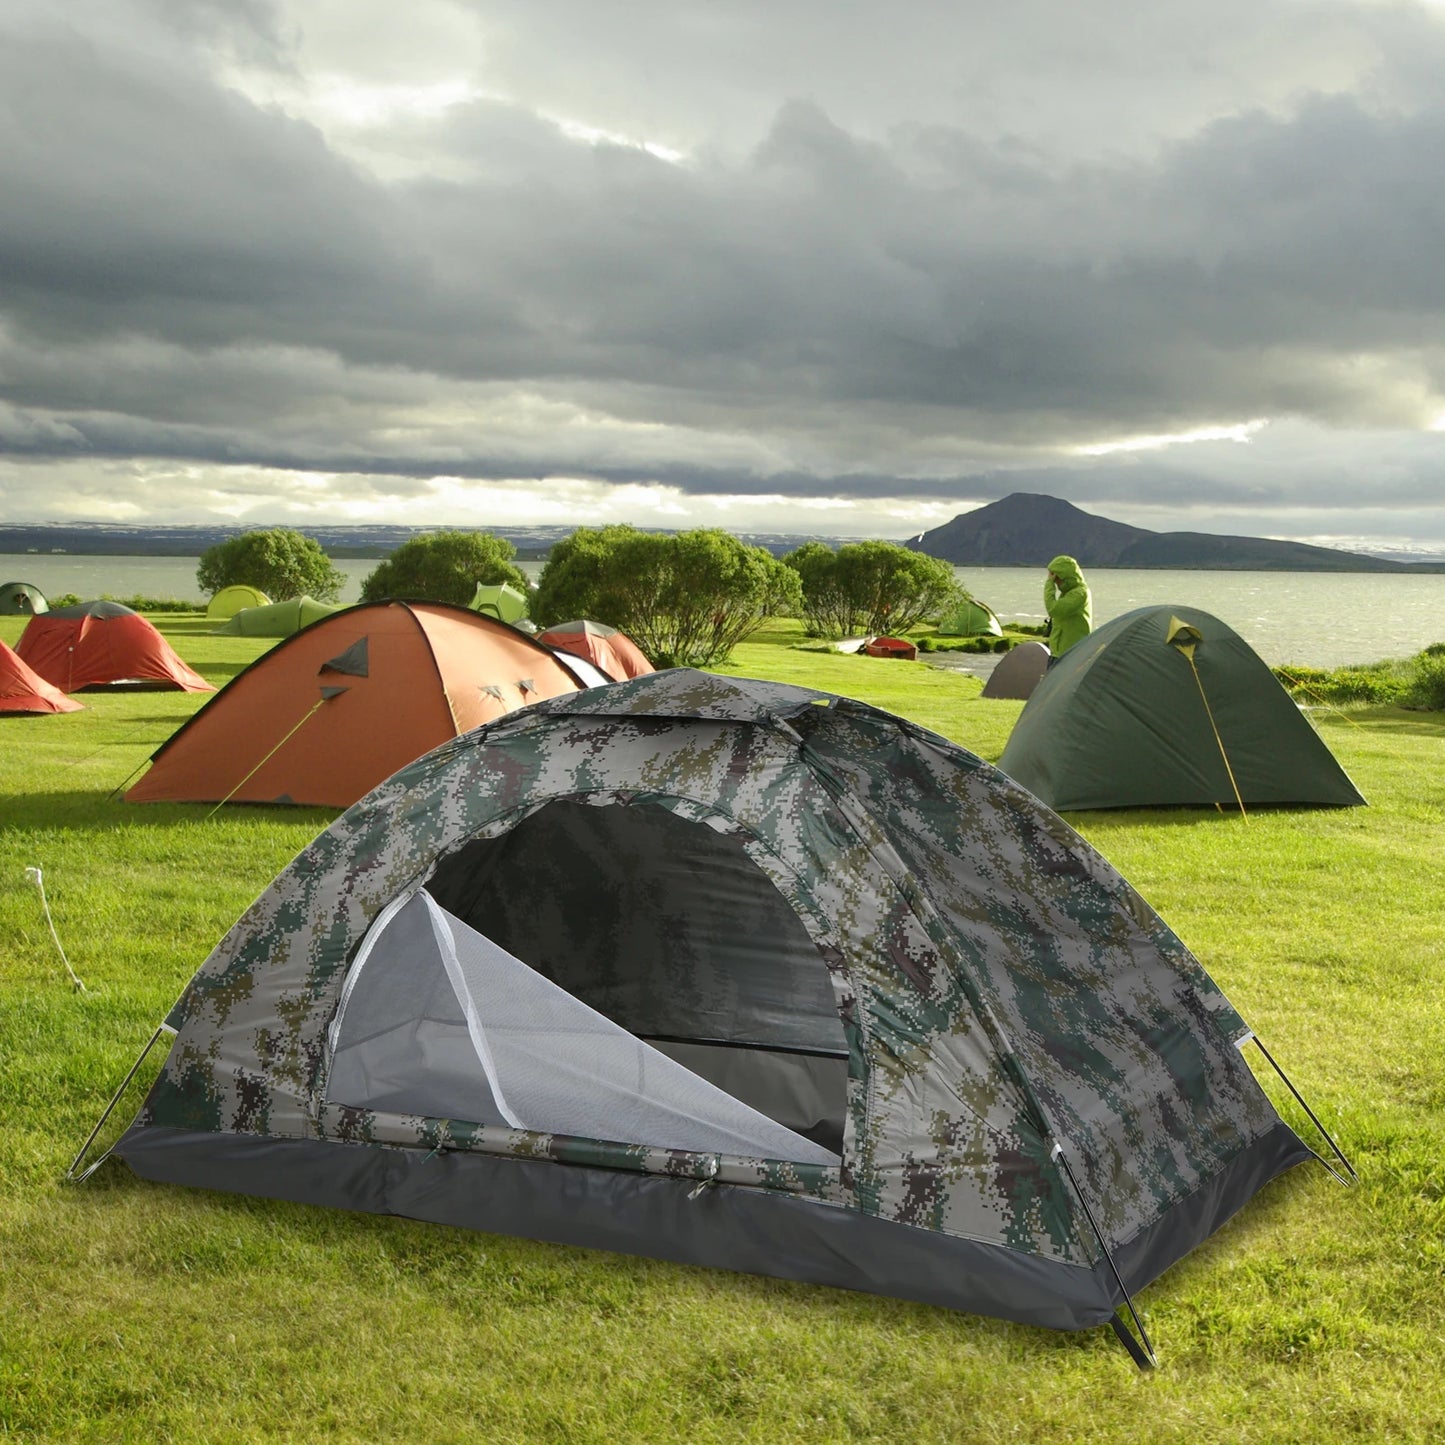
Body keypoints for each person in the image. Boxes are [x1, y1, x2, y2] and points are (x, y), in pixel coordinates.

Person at [1043, 555, 1092, 663]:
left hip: (1070, 654)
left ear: (1065, 577)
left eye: (1056, 578)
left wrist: (1049, 584)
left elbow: (1053, 610)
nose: (1056, 582)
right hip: (1059, 652)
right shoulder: (1067, 593)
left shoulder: (1080, 593)